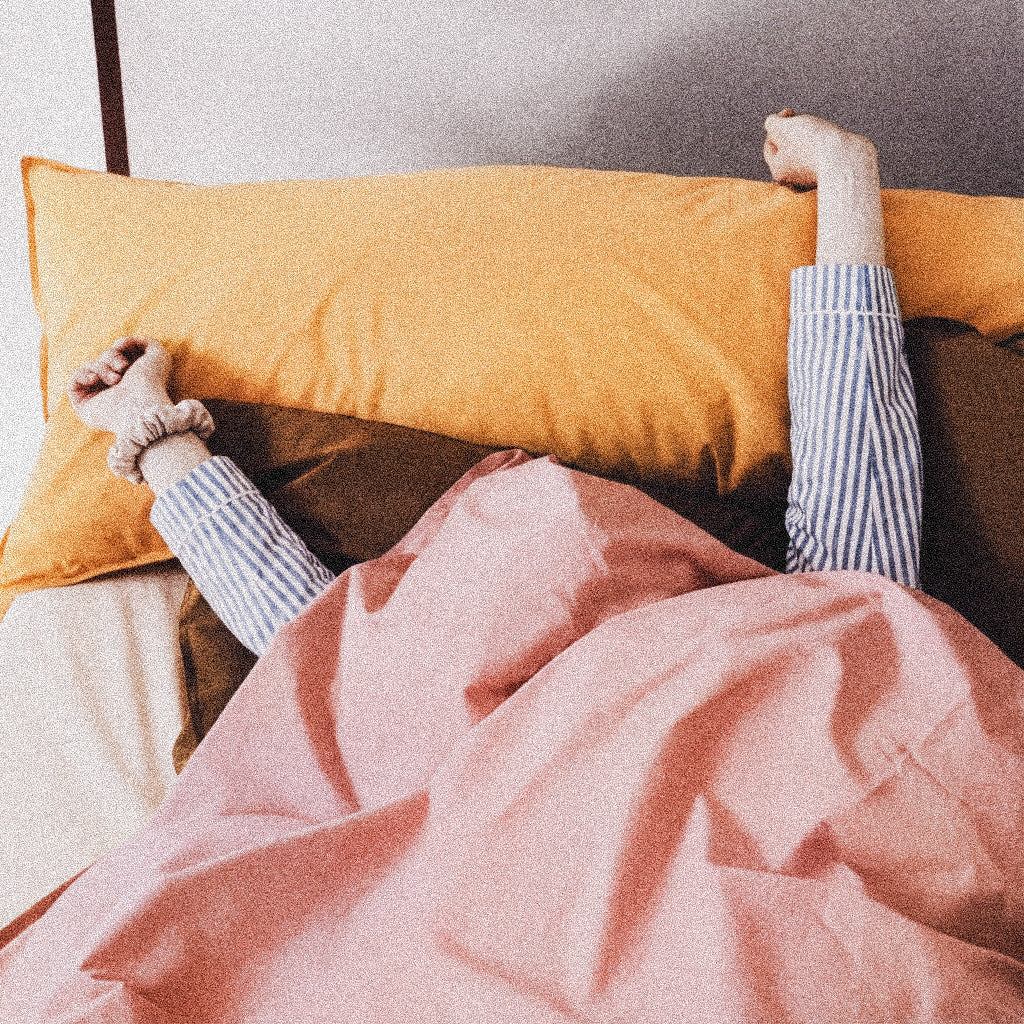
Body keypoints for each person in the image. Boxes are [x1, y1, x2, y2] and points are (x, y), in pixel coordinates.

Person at [68, 110, 923, 659]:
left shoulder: (820, 650)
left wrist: (156, 435)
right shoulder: (834, 639)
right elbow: (865, 557)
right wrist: (150, 428)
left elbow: (319, 650)